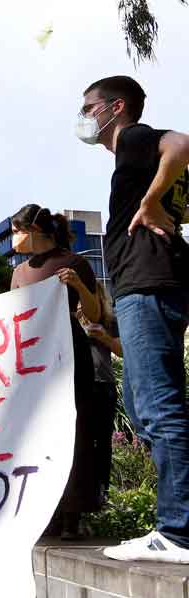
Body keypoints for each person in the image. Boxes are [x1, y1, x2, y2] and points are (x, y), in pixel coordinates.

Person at [77, 75, 189, 562]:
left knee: (157, 408)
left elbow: (184, 143)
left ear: (116, 107)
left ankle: (179, 532)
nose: (83, 117)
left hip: (149, 286)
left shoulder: (138, 138)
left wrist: (150, 201)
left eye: (89, 107)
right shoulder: (135, 156)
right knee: (146, 407)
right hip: (149, 286)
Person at [10, 205, 102, 539]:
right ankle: (44, 512)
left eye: (18, 231)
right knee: (38, 434)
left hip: (70, 358)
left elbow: (94, 313)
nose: (15, 239)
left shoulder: (73, 263)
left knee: (74, 432)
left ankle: (72, 514)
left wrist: (79, 285)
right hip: (34, 363)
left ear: (34, 230)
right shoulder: (20, 273)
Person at [80, 285, 123, 517]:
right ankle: (83, 501)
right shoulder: (67, 319)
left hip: (103, 386)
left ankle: (101, 497)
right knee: (83, 445)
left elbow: (122, 350)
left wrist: (104, 337)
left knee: (103, 445)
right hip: (78, 389)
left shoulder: (109, 319)